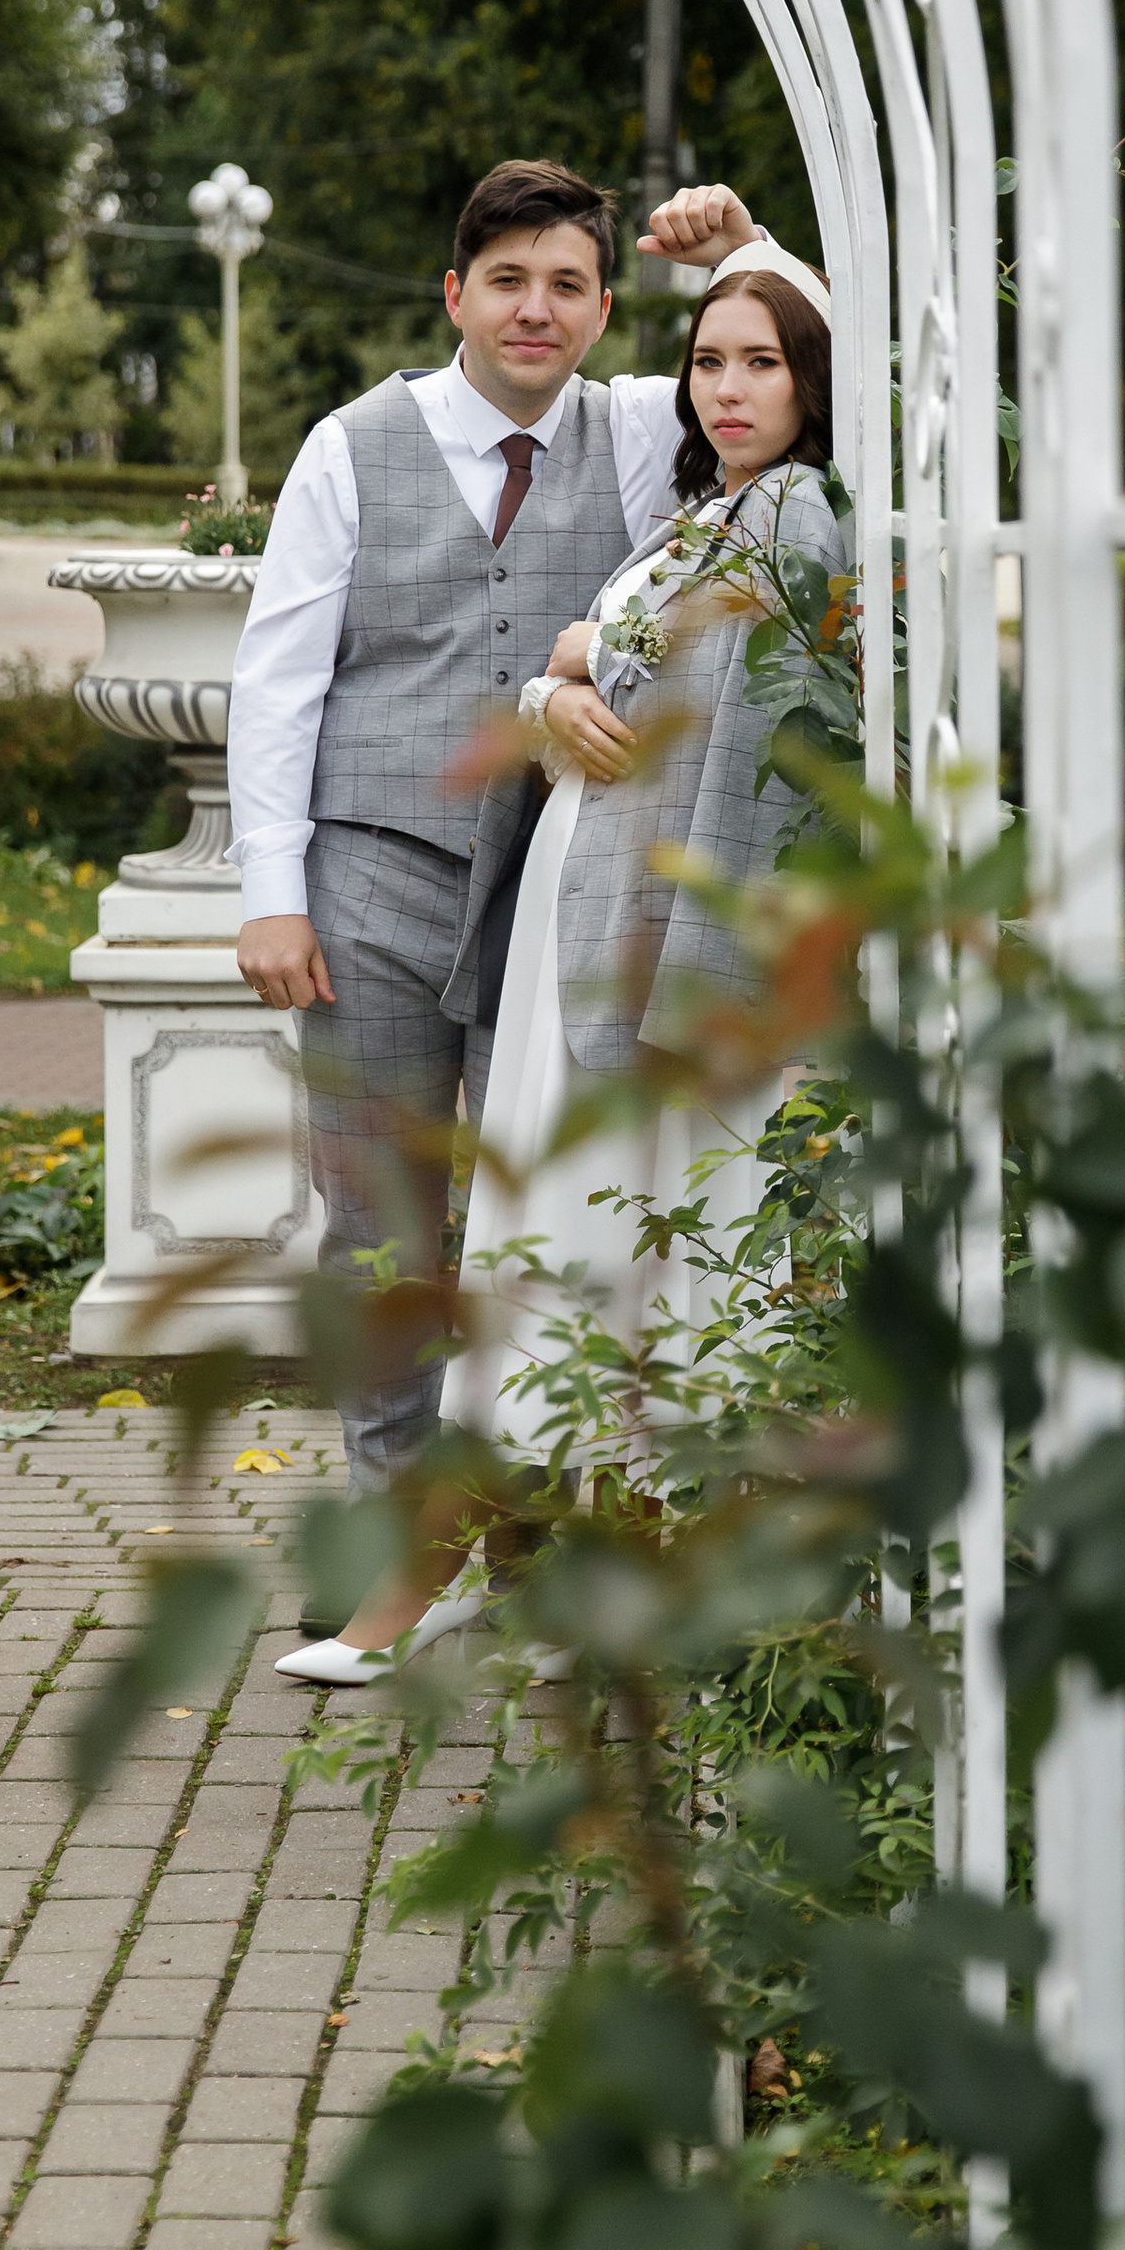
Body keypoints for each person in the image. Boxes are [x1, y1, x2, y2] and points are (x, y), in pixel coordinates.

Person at [275, 239, 848, 1682]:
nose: (726, 387)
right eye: (708, 360)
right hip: (548, 914)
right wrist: (554, 678)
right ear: (451, 291)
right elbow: (289, 677)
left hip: (655, 942)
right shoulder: (709, 500)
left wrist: (745, 243)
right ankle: (505, 1566)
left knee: (601, 1249)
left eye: (764, 363)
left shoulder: (792, 512)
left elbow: (707, 699)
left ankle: (512, 1572)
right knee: (520, 1237)